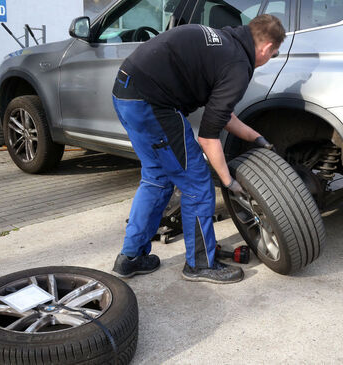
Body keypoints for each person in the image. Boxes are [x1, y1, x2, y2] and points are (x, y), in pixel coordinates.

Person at [111, 14, 286, 284]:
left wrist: (256, 137)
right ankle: (200, 264)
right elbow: (208, 137)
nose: (268, 59)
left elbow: (221, 114)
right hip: (152, 104)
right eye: (273, 55)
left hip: (126, 93)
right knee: (197, 182)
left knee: (157, 178)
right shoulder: (238, 65)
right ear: (266, 48)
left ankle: (130, 258)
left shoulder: (227, 41)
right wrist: (228, 182)